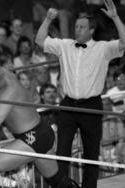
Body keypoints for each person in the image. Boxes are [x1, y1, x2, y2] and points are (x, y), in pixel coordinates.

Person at [35, 0, 125, 187]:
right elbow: (39, 40)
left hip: (91, 105)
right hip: (68, 104)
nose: (77, 30)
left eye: (82, 27)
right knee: (62, 152)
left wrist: (115, 17)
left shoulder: (103, 48)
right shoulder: (65, 45)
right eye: (76, 26)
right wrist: (47, 19)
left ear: (91, 30)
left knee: (91, 154)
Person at [0, 54, 79, 188]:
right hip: (40, 132)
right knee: (58, 181)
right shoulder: (1, 73)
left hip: (32, 138)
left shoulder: (8, 90)